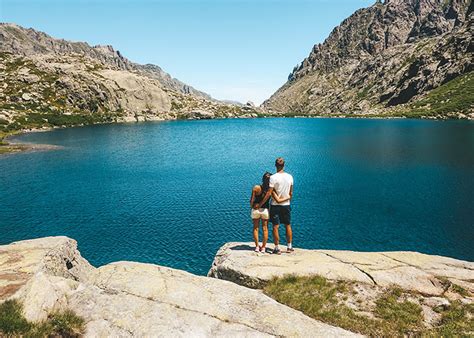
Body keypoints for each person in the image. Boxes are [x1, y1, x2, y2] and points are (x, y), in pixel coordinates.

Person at [256, 157, 294, 254]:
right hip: (286, 204)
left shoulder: (273, 178)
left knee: (275, 226)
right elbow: (291, 193)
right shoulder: (290, 177)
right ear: (284, 165)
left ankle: (277, 248)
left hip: (275, 205)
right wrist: (287, 198)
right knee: (288, 225)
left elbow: (269, 193)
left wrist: (260, 204)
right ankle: (289, 247)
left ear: (275, 165)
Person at [249, 172, 271, 253]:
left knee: (255, 228)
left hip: (256, 210)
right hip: (265, 210)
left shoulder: (256, 187)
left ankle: (257, 247)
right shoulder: (270, 189)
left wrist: (252, 207)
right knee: (265, 229)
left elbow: (251, 200)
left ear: (262, 179)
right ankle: (264, 247)